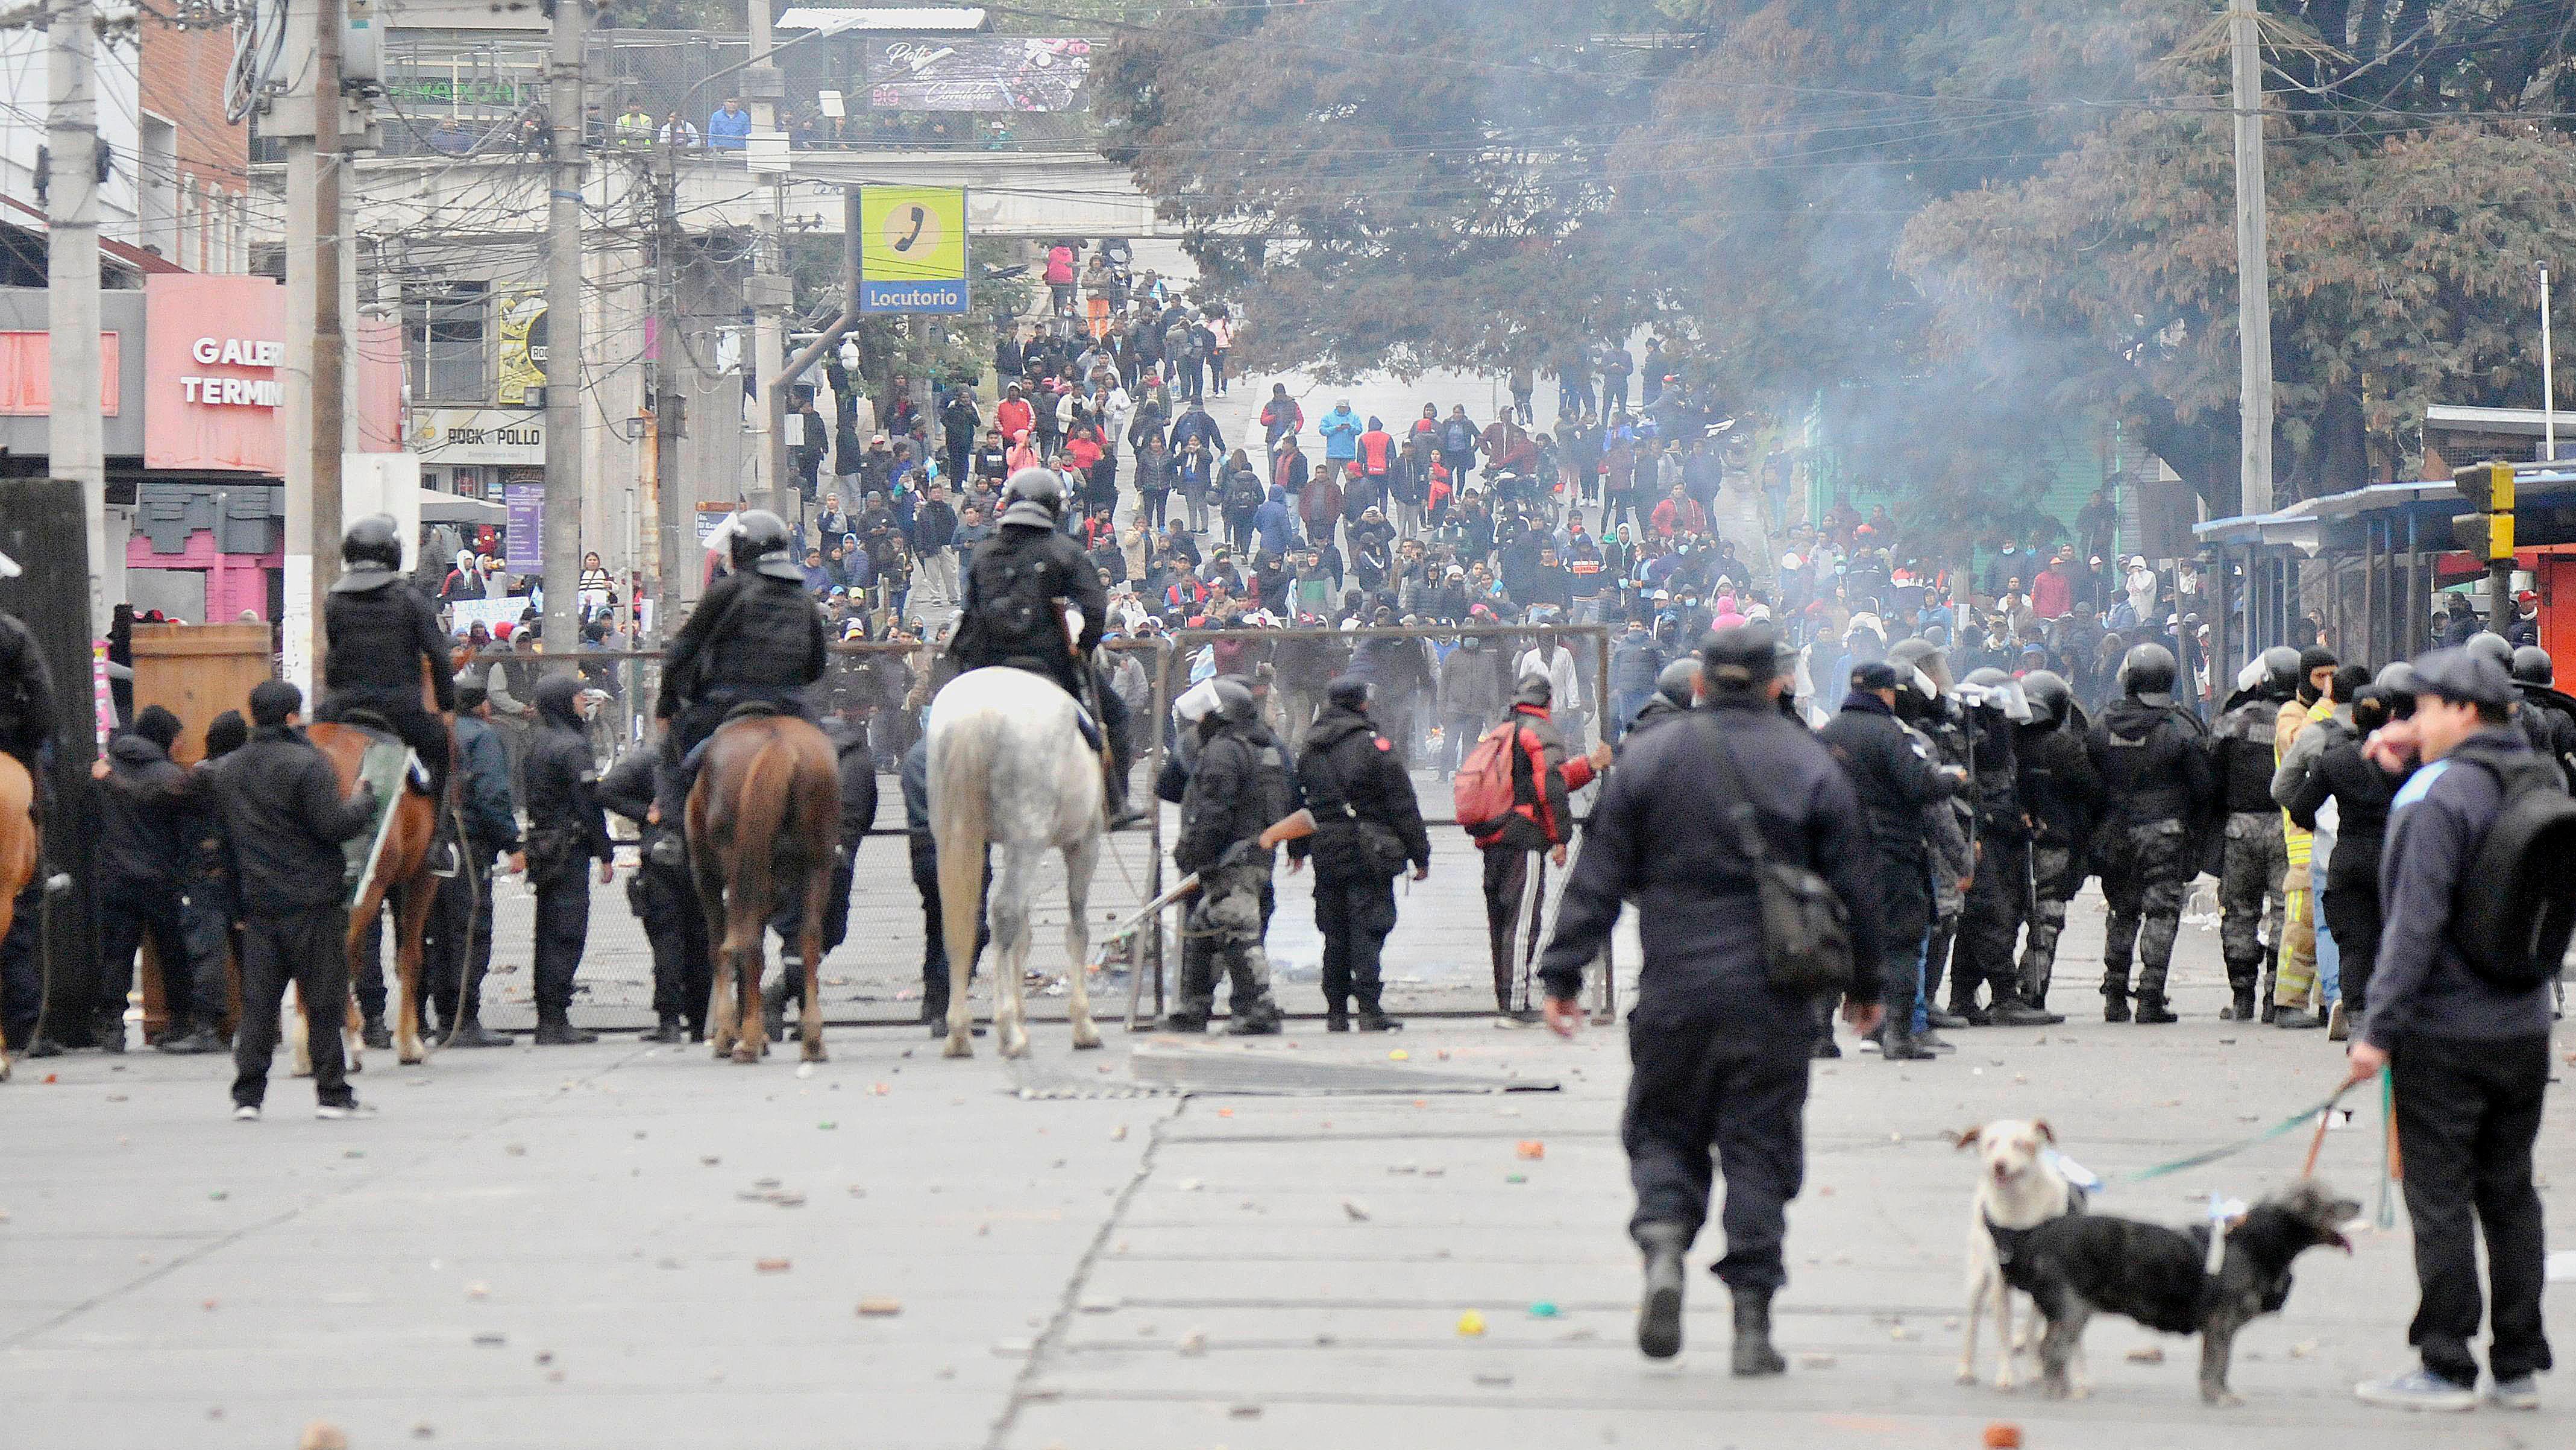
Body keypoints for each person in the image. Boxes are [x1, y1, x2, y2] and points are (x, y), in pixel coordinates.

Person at [1537, 624, 1883, 1372]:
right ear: (1774, 684)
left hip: (1672, 995)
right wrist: (1867, 986)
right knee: (1759, 1149)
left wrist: (1561, 973)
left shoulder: (1650, 758)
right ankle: (1751, 1323)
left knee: (1662, 1130)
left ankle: (1662, 1239)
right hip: (1773, 1002)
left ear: (1698, 684)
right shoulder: (1808, 762)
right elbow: (1858, 883)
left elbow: (1596, 874)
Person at [2347, 646, 2557, 1413]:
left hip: (2442, 1032)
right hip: (2522, 1025)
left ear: (2461, 712)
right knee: (2508, 1195)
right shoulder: (2538, 775)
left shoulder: (2432, 795)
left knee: (2438, 1199)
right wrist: (2404, 764)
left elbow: (2414, 923)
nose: (2410, 721)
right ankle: (2517, 1363)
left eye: (2423, 709)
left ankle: (2444, 1364)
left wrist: (2376, 1028)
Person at [210, 681, 379, 1120]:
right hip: (313, 902)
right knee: (324, 1000)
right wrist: (364, 800)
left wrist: (236, 905)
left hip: (259, 905)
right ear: (291, 717)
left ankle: (248, 1096)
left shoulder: (229, 769)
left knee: (259, 1005)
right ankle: (332, 1093)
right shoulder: (309, 764)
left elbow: (224, 844)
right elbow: (332, 825)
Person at [945, 467, 1137, 823]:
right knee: (1115, 718)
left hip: (986, 662)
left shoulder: (984, 551)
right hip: (1048, 662)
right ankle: (1115, 803)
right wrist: (1082, 648)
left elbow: (969, 610)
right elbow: (1095, 609)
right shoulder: (1065, 551)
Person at [1818, 661, 1957, 1062]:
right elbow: (1917, 785)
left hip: (1837, 852)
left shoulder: (1827, 733)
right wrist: (1952, 779)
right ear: (1885, 693)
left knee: (1836, 940)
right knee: (1900, 941)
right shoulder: (1890, 733)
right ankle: (1897, 1034)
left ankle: (1821, 1035)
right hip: (1890, 853)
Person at [656, 509, 829, 807]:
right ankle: (836, 843)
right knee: (832, 758)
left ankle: (670, 839)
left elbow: (682, 651)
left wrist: (666, 705)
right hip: (792, 704)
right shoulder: (804, 598)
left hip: (726, 702)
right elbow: (816, 665)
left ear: (741, 549)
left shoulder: (726, 591)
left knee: (675, 765)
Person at [1292, 676, 1432, 1032]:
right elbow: (1402, 803)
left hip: (1327, 846)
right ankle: (1369, 1009)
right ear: (1362, 704)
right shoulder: (1375, 745)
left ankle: (1336, 1011)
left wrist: (1297, 847)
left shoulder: (1312, 745)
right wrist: (1420, 854)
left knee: (1334, 930)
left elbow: (1299, 801)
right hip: (1371, 849)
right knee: (1368, 928)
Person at [2088, 643, 2213, 1023]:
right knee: (2161, 913)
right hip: (2164, 833)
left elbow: (2087, 776)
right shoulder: (2181, 726)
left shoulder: (2102, 724)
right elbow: (2204, 787)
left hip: (2116, 832)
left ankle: (2114, 996)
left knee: (2122, 911)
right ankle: (2151, 997)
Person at [1474, 671, 1609, 1022]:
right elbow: (1549, 788)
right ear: (1548, 701)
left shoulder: (1503, 730)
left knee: (1501, 920)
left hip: (1494, 837)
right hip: (1524, 838)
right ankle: (1516, 1005)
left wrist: (1587, 768)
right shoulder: (1541, 730)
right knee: (1522, 923)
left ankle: (1506, 997)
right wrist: (1559, 839)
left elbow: (1549, 779)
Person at [1164, 676, 1292, 1034]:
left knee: (1238, 932)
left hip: (1230, 858)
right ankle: (1193, 1009)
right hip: (1252, 854)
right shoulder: (1264, 747)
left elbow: (1213, 810)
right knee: (1204, 928)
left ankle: (1259, 1010)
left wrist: (1194, 854)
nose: (1200, 721)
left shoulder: (1225, 750)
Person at [317, 515, 456, 805]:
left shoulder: (334, 599)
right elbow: (440, 658)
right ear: (392, 552)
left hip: (342, 706)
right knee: (442, 753)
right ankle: (438, 832)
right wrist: (445, 706)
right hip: (400, 710)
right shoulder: (410, 597)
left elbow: (333, 659)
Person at [1949, 668, 2061, 1026]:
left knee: (1976, 922)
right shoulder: (1970, 742)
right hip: (1984, 842)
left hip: (2000, 838)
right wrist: (2001, 822)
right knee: (1990, 916)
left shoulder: (1994, 739)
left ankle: (1963, 997)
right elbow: (1973, 798)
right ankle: (2004, 995)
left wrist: (2020, 818)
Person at [89, 705, 195, 1051]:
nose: (181, 744)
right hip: (160, 878)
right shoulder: (168, 775)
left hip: (115, 877)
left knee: (116, 955)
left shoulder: (106, 771)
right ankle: (181, 1021)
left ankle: (111, 1027)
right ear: (164, 738)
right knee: (173, 953)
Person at [521, 676, 614, 1044]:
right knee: (567, 930)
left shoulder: (537, 744)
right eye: (578, 696)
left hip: (544, 846)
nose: (583, 702)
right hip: (568, 849)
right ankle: (555, 1020)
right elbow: (589, 805)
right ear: (563, 702)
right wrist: (605, 851)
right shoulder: (574, 748)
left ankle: (550, 1015)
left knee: (547, 930)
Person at [2211, 646, 2301, 1020]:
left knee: (2239, 913)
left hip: (2240, 828)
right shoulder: (2302, 724)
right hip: (2288, 828)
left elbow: (2210, 776)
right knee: (2286, 912)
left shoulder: (2234, 723)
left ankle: (2241, 998)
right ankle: (2274, 999)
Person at [426, 680, 517, 1048]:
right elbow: (492, 794)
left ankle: (444, 1016)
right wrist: (511, 841)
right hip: (468, 841)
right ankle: (464, 1020)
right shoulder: (482, 738)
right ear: (483, 707)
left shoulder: (435, 734)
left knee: (438, 930)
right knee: (470, 929)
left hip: (433, 844)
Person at [2010, 670, 2101, 1017]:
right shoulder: (2061, 746)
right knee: (2045, 922)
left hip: (2012, 845)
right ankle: (2031, 994)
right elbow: (2093, 790)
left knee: (2003, 921)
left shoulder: (2007, 743)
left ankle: (1991, 994)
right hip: (2054, 845)